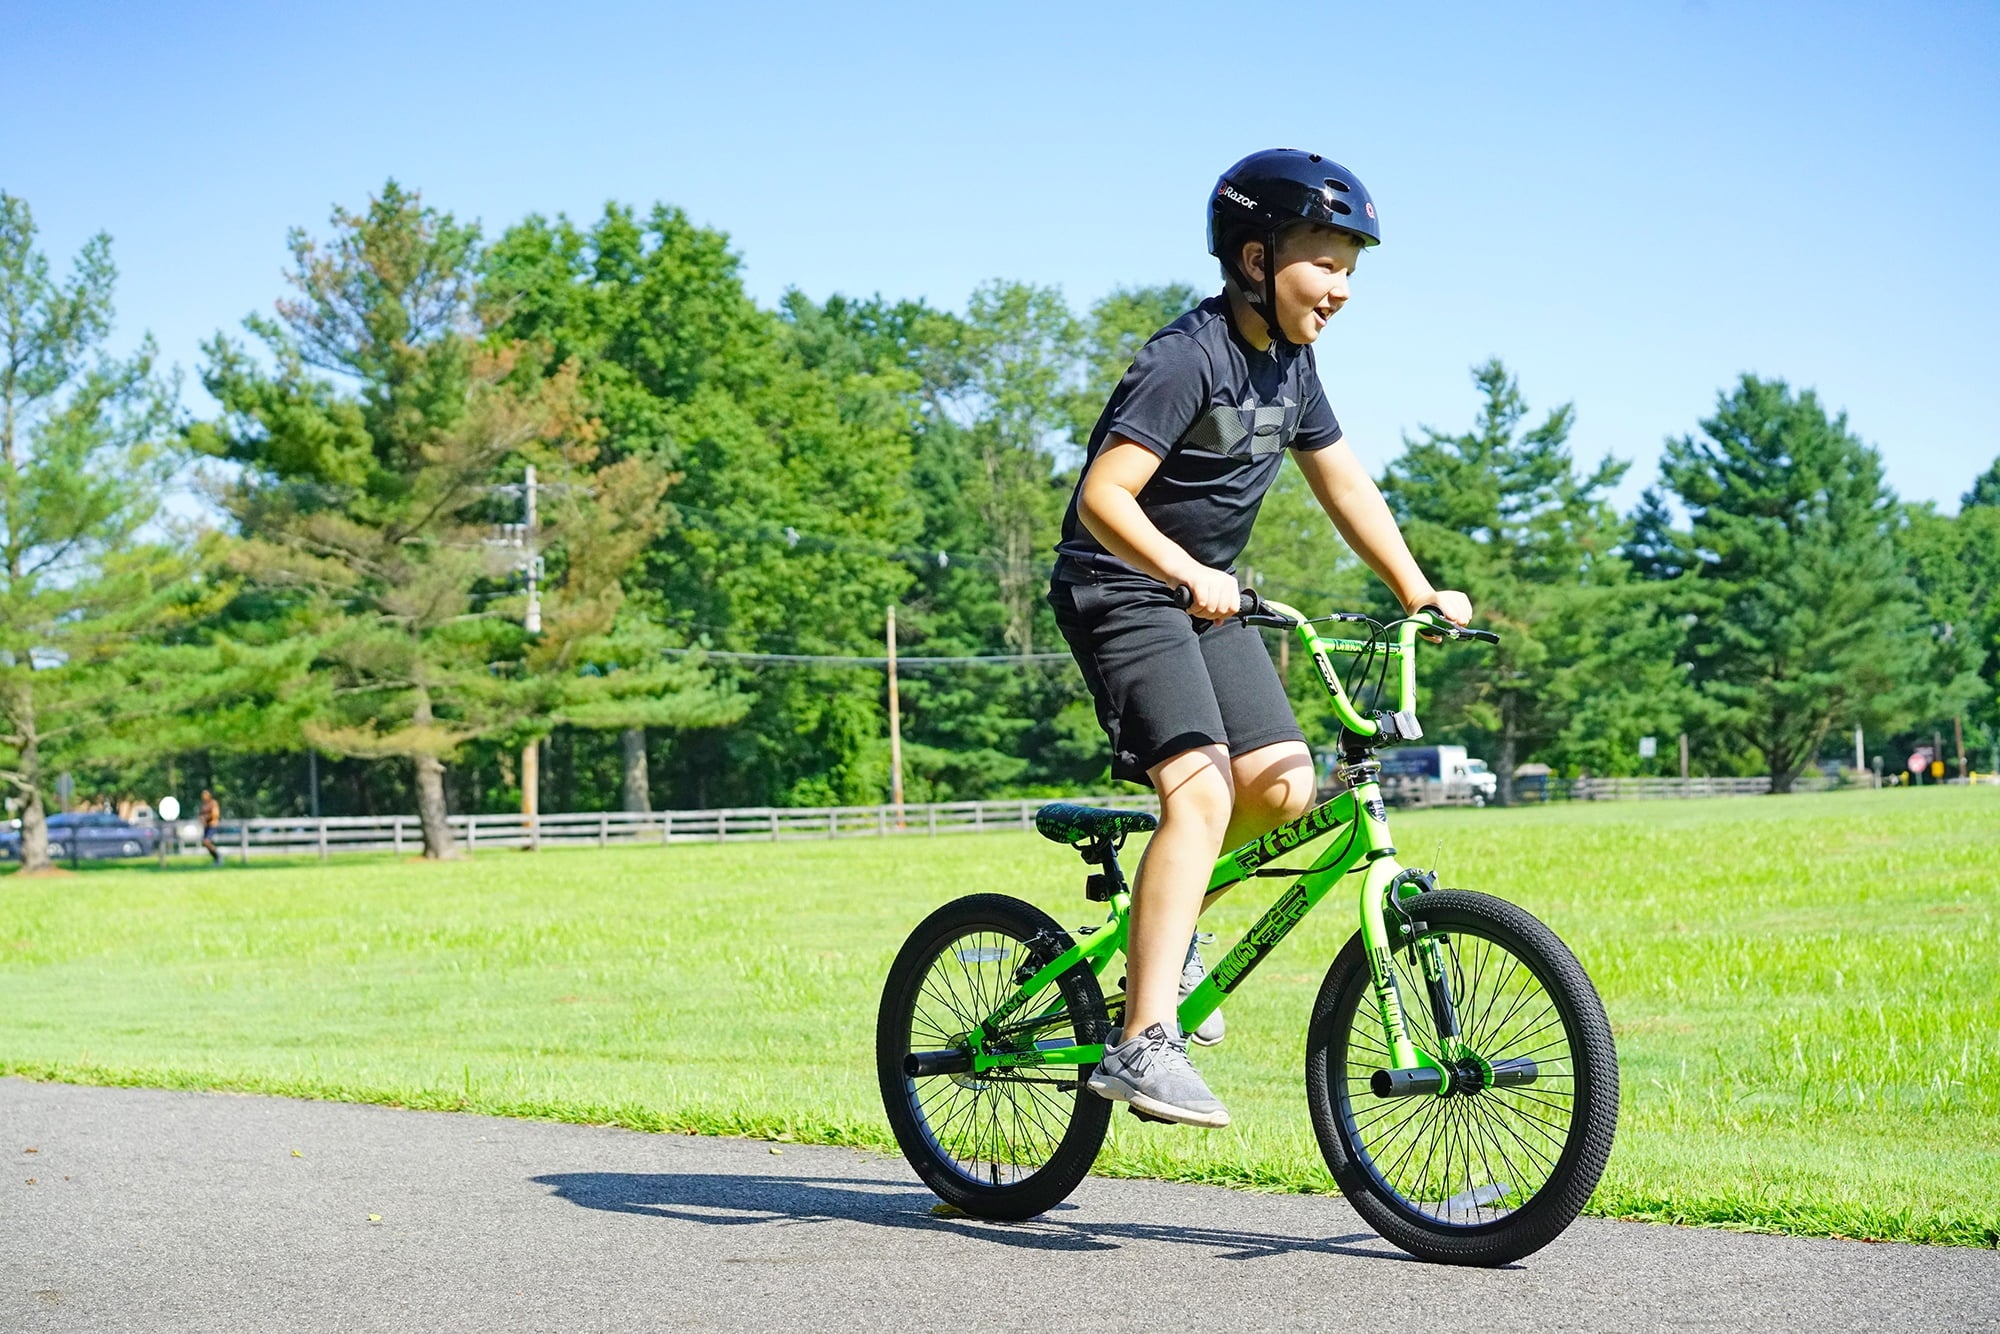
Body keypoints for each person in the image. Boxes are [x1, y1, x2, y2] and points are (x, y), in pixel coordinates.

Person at [1047, 149, 1472, 1128]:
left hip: (1210, 600)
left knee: (1281, 784)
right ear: (1253, 256)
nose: (1341, 290)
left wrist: (1412, 587)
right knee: (1196, 789)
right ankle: (1140, 1041)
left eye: (1351, 271)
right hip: (1121, 586)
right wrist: (1185, 572)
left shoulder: (1292, 366)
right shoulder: (1181, 357)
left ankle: (1171, 913)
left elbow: (1341, 480)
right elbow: (1102, 498)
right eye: (1325, 265)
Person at [198, 789, 223, 866]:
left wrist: (206, 817)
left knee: (206, 842)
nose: (203, 796)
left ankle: (218, 856)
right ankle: (216, 858)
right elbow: (201, 815)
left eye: (205, 795)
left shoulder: (213, 803)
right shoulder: (203, 805)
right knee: (205, 843)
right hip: (206, 826)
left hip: (212, 826)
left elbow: (215, 814)